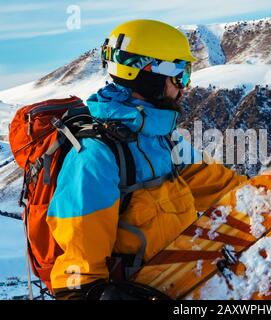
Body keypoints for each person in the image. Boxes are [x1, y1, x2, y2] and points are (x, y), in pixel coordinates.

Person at [47, 19, 247, 299]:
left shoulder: (162, 137)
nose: (185, 87)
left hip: (185, 287)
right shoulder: (96, 156)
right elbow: (79, 274)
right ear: (148, 74)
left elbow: (217, 187)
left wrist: (269, 194)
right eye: (180, 75)